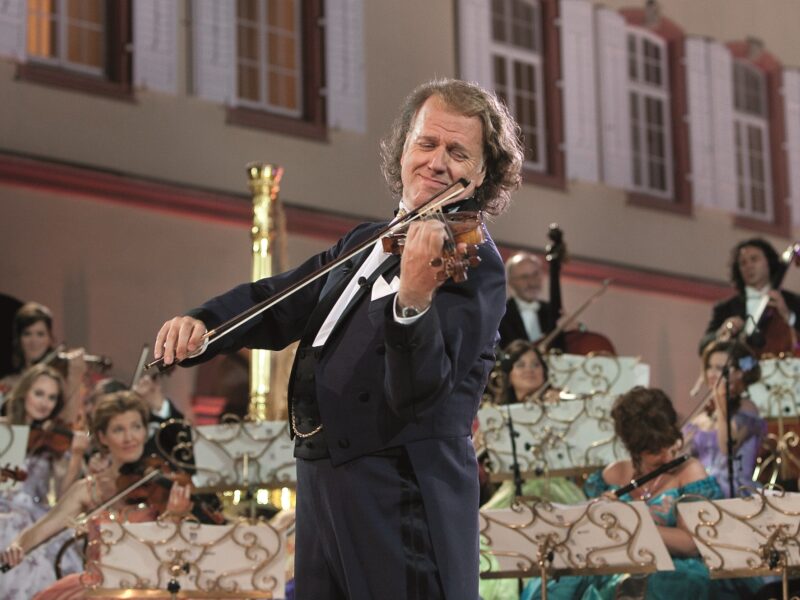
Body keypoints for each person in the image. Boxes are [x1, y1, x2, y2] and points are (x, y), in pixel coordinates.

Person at [153, 78, 524, 599]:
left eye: (458, 152)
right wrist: (205, 323)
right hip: (324, 480)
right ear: (403, 150)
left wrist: (414, 301)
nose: (437, 162)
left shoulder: (474, 264)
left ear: (483, 174)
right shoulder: (364, 241)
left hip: (401, 495)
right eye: (427, 143)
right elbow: (280, 300)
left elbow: (420, 393)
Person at [523, 386, 762, 600]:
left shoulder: (690, 473)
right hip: (615, 563)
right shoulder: (613, 475)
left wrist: (631, 520)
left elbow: (691, 544)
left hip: (674, 568)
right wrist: (597, 518)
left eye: (670, 443)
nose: (668, 456)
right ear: (633, 447)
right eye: (655, 450)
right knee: (552, 585)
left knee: (657, 587)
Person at [1, 391, 193, 600]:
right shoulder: (88, 489)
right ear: (102, 437)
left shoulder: (162, 487)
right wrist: (17, 546)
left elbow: (181, 554)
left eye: (136, 427)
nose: (129, 437)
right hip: (99, 589)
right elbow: (41, 530)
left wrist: (175, 516)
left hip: (151, 587)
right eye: (118, 429)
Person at [478, 340, 585, 600]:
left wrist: (562, 410)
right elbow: (477, 456)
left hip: (555, 488)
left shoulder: (561, 405)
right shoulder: (497, 414)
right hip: (513, 491)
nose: (530, 370)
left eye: (536, 364)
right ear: (509, 374)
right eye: (521, 364)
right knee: (481, 531)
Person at [0, 364, 89, 599]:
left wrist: (77, 455)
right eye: (39, 393)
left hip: (35, 516)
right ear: (24, 393)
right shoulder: (3, 429)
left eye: (51, 398)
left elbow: (62, 497)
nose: (44, 403)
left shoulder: (55, 442)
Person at [683, 340, 766, 497]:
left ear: (739, 373)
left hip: (733, 492)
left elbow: (726, 447)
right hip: (701, 490)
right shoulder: (702, 417)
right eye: (709, 367)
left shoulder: (747, 408)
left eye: (720, 368)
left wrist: (721, 401)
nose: (712, 373)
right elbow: (680, 454)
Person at [699, 238, 800, 354]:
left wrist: (788, 315)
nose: (749, 266)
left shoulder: (793, 301)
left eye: (754, 259)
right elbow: (703, 346)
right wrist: (722, 331)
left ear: (768, 262)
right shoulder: (725, 308)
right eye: (743, 263)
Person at [498, 253, 556, 349]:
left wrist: (579, 327)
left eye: (535, 274)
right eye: (524, 277)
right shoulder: (500, 314)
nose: (532, 282)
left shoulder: (553, 311)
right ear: (511, 282)